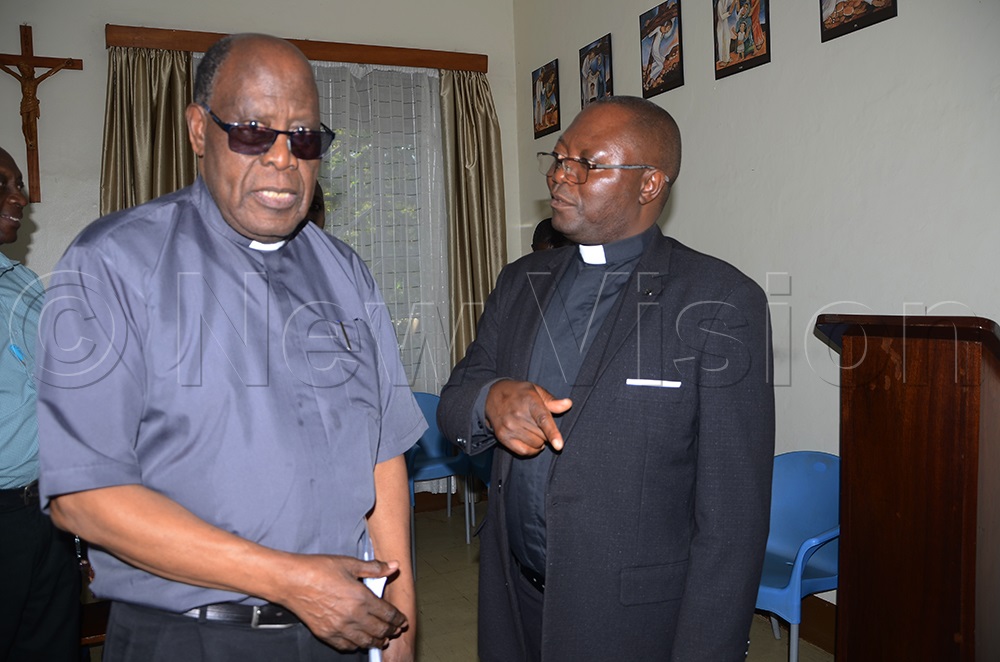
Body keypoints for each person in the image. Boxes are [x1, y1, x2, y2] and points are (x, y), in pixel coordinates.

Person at [35, 34, 425, 662]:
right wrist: (288, 580)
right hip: (192, 636)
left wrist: (401, 624)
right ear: (198, 129)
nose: (282, 158)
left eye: (303, 137)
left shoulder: (345, 272)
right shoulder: (111, 265)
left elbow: (382, 457)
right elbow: (87, 500)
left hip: (349, 630)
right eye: (251, 131)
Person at [438, 96, 774, 661]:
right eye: (559, 157)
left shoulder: (719, 302)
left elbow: (732, 521)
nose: (561, 176)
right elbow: (453, 402)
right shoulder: (521, 281)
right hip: (513, 592)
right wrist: (490, 400)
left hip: (629, 618)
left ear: (649, 185)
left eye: (587, 164)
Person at [0, 146, 80, 660]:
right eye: (4, 183)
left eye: (20, 184)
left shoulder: (25, 284)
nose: (21, 197)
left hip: (46, 514)